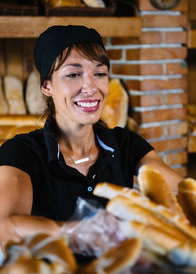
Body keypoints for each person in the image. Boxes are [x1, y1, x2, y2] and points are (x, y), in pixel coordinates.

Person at [0, 25, 182, 260]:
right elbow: (5, 227)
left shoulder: (125, 143)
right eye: (73, 74)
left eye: (100, 73)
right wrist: (72, 232)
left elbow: (181, 191)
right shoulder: (22, 152)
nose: (91, 87)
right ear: (47, 87)